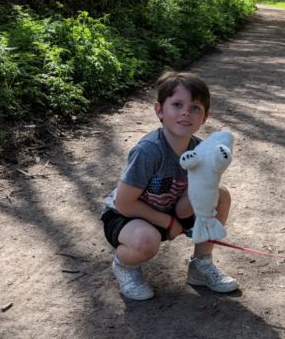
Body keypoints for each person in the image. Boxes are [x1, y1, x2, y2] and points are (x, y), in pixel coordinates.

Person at [101, 69, 238, 300]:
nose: (186, 113)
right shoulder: (149, 151)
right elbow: (124, 203)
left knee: (220, 195)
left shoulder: (201, 151)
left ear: (204, 117)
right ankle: (125, 266)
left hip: (170, 211)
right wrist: (168, 222)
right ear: (159, 110)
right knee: (146, 242)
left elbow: (186, 207)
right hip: (127, 217)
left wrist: (184, 216)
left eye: (195, 108)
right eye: (177, 105)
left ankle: (200, 265)